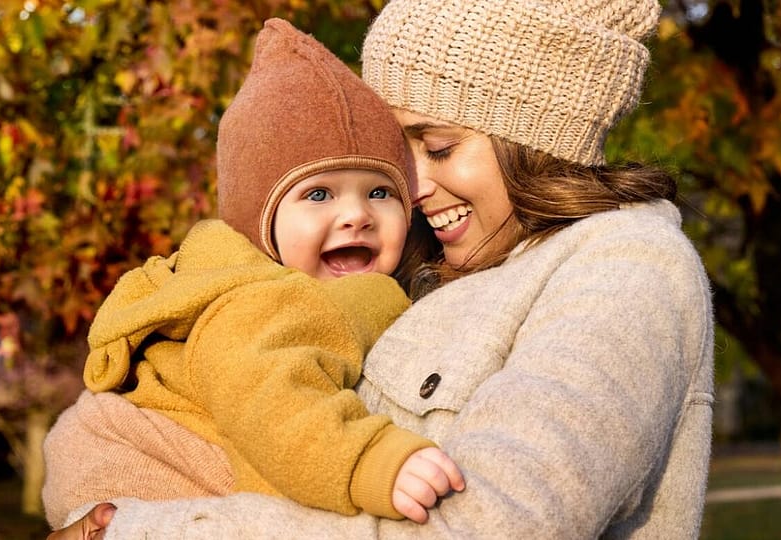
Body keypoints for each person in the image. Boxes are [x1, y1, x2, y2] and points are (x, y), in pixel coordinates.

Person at [50, 0, 716, 538]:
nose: (413, 188)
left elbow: (490, 526)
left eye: (439, 146)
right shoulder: (420, 268)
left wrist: (138, 532)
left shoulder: (623, 266)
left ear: (534, 139)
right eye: (398, 157)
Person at [41, 17, 464, 531]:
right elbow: (272, 399)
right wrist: (371, 460)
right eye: (318, 195)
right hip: (146, 467)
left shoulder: (310, 285)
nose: (356, 215)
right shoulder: (260, 299)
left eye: (380, 192)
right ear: (260, 219)